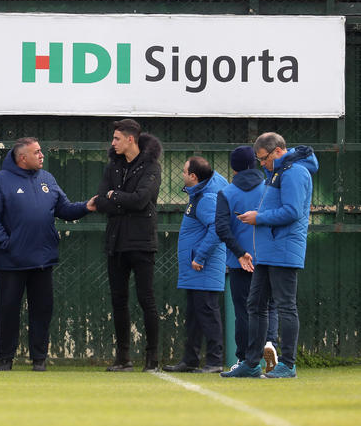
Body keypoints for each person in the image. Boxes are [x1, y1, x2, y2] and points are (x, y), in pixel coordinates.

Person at [0, 137, 96, 372]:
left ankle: (39, 358)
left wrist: (86, 207)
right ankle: (5, 359)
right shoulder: (0, 181)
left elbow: (64, 209)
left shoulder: (47, 178)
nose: (42, 155)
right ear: (22, 157)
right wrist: (7, 244)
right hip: (12, 260)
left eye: (40, 151)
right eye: (36, 152)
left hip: (42, 259)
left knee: (42, 310)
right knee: (8, 310)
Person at [221, 133, 318, 379]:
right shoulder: (277, 172)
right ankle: (251, 363)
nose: (261, 164)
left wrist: (259, 217)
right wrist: (258, 215)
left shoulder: (295, 173)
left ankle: (288, 364)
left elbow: (293, 211)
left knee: (286, 306)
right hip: (266, 250)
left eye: (264, 158)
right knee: (255, 305)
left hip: (283, 249)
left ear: (277, 151)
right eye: (259, 160)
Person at [95, 119, 162, 373]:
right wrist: (120, 200)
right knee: (118, 300)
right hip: (116, 242)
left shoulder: (151, 166)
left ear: (130, 139)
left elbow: (142, 200)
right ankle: (123, 358)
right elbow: (101, 202)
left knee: (146, 299)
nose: (113, 143)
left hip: (142, 242)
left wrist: (116, 196)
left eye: (117, 138)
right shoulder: (112, 166)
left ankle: (152, 358)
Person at [215, 146, 279, 372]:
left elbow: (222, 228)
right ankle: (269, 342)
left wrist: (240, 253)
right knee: (269, 306)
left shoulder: (226, 193)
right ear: (255, 162)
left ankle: (244, 359)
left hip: (239, 261)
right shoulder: (270, 187)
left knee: (243, 311)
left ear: (233, 168)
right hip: (267, 257)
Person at [163, 156, 228, 374]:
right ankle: (190, 360)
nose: (182, 174)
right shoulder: (198, 195)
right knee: (193, 317)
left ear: (193, 176)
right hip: (195, 270)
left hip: (203, 268)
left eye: (184, 171)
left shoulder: (206, 198)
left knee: (208, 315)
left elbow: (217, 229)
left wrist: (200, 257)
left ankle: (215, 361)